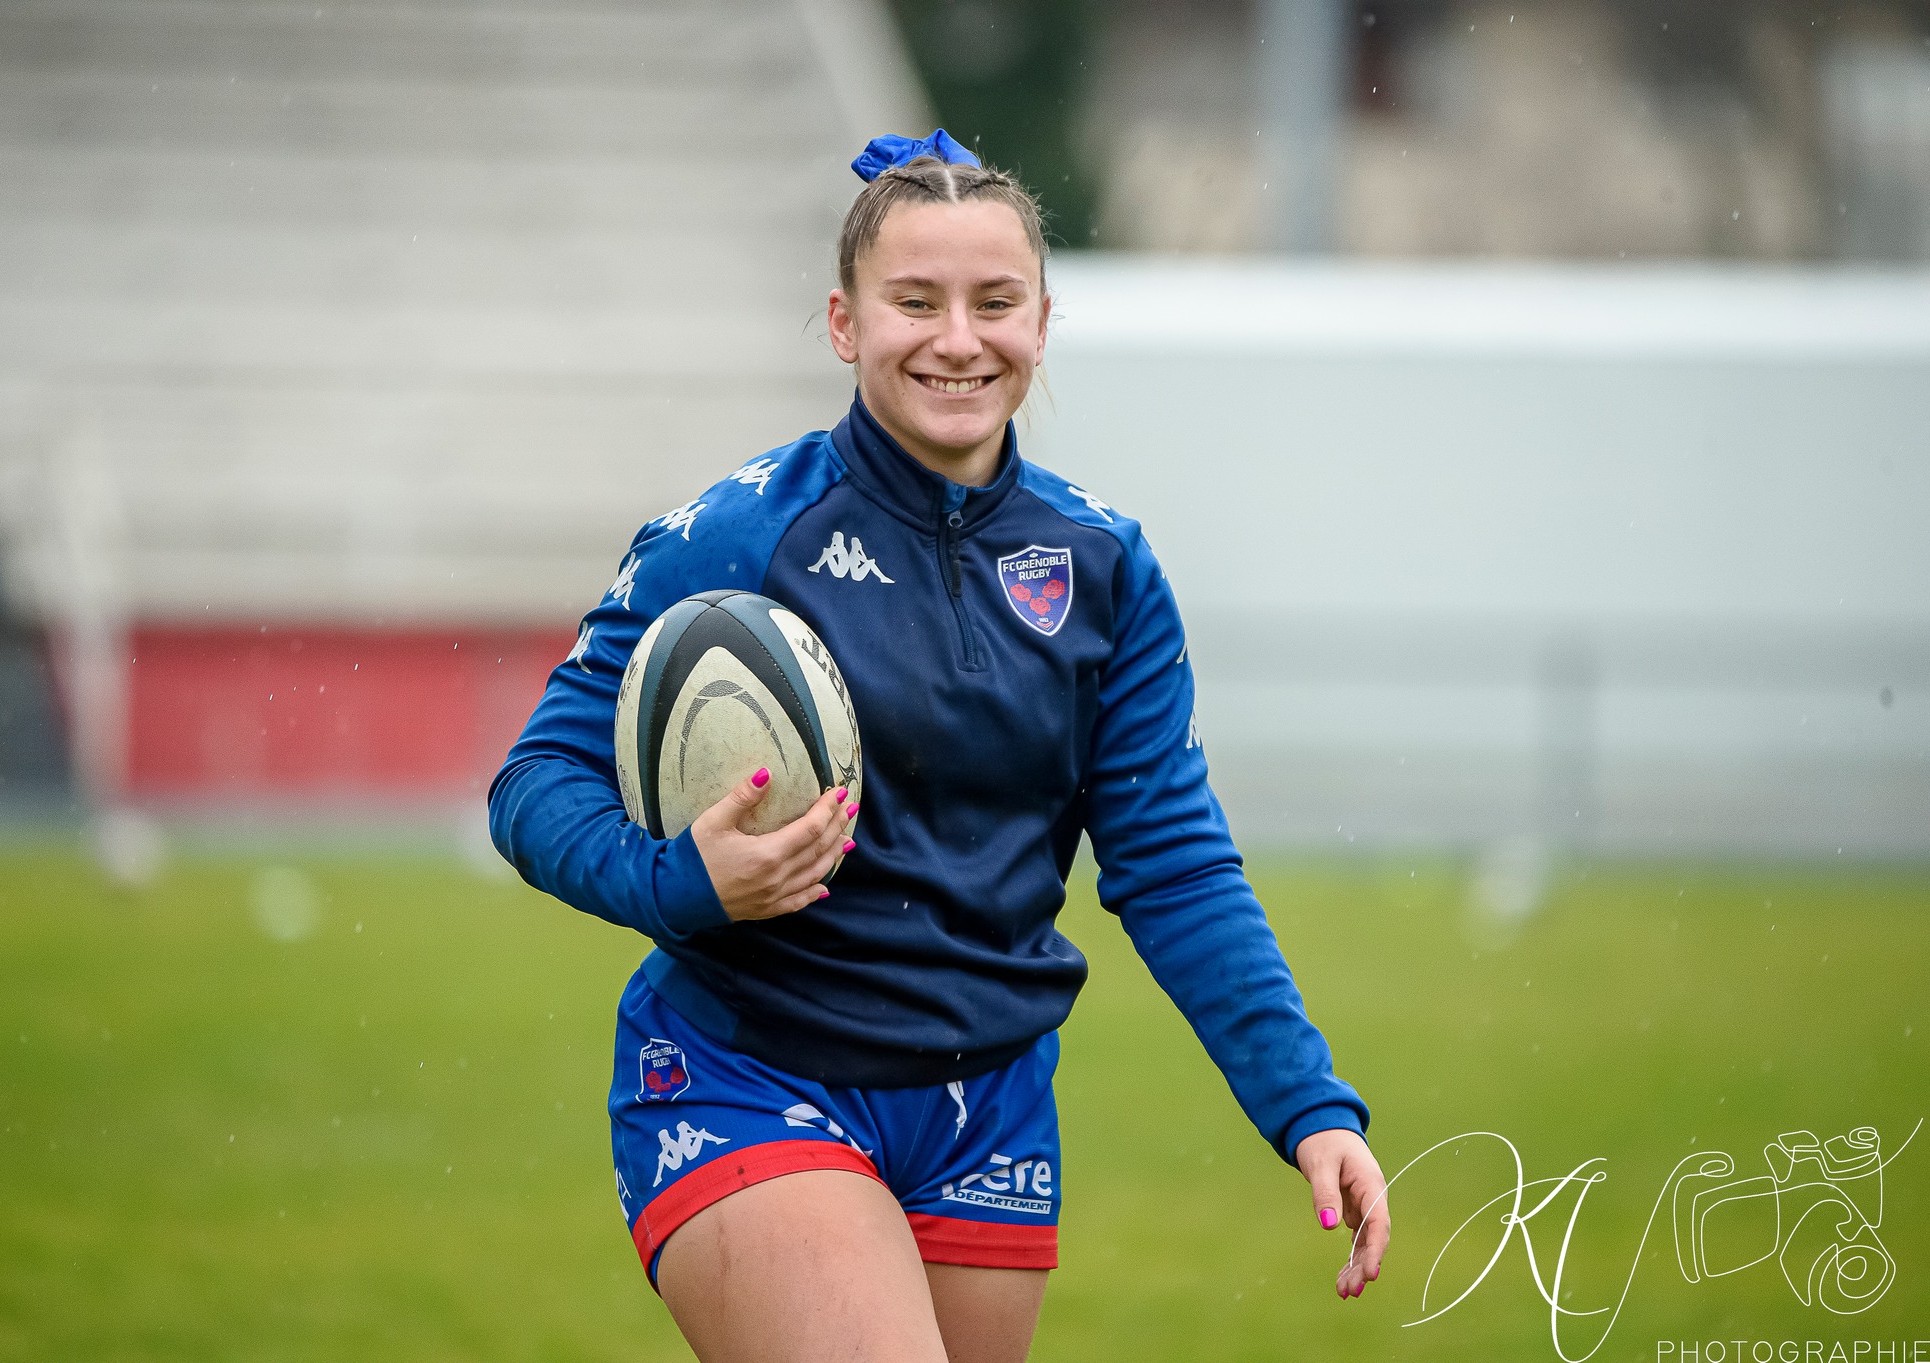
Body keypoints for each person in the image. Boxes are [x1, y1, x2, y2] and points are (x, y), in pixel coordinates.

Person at [490, 129, 1389, 1363]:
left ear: (1041, 318)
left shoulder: (1103, 568)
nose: (956, 339)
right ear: (844, 322)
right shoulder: (737, 535)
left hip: (989, 1105)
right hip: (750, 1074)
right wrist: (679, 885)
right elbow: (534, 782)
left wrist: (1305, 1104)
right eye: (913, 302)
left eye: (993, 302)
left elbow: (1173, 865)